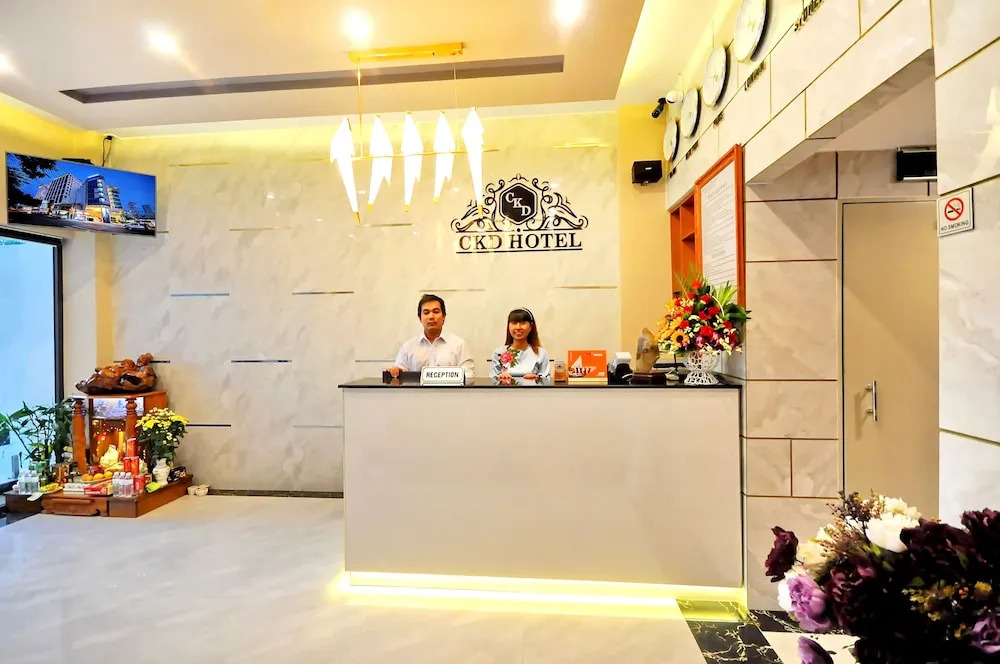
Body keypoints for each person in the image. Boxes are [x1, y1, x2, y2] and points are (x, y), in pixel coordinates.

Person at [388, 294, 474, 378]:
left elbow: (468, 376)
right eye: (426, 313)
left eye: (436, 312)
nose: (431, 317)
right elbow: (397, 376)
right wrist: (395, 372)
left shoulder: (459, 345)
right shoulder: (408, 347)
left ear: (444, 316)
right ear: (420, 318)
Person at [491, 307, 550, 383]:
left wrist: (536, 379)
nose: (518, 327)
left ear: (531, 326)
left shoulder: (541, 353)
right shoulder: (499, 353)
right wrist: (501, 379)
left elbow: (546, 382)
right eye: (514, 323)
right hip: (506, 390)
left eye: (523, 323)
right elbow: (492, 380)